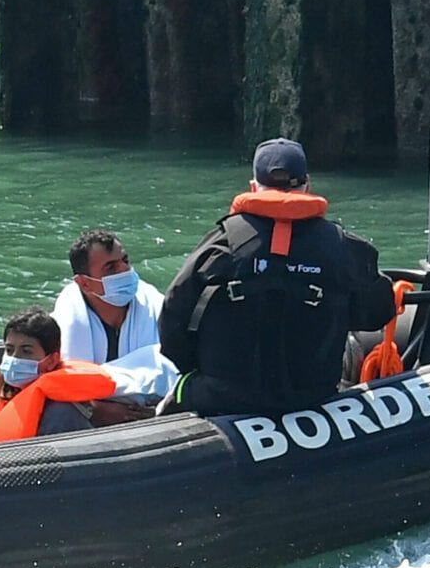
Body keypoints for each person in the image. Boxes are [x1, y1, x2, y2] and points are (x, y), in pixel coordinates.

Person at [159, 137, 395, 416]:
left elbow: (173, 315)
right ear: (307, 185)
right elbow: (377, 314)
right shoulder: (344, 247)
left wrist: (196, 367)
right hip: (313, 399)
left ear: (253, 187)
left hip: (220, 398)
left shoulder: (220, 243)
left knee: (180, 392)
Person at [52, 230, 166, 423]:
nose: (125, 270)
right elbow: (50, 383)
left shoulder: (157, 306)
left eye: (125, 260)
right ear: (84, 283)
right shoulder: (61, 323)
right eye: (111, 268)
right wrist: (93, 409)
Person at [0, 307, 118, 445]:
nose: (14, 358)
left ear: (51, 361)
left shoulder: (61, 414)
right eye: (9, 350)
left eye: (26, 352)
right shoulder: (10, 390)